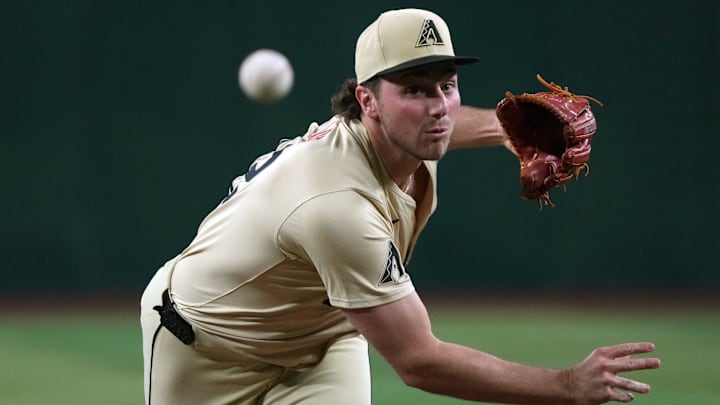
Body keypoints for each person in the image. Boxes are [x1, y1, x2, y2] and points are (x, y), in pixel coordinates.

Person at [140, 8, 660, 405]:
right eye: (414, 88)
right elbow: (419, 362)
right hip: (207, 347)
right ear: (368, 101)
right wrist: (566, 385)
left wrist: (507, 133)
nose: (437, 106)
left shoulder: (409, 136)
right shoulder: (337, 204)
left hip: (323, 342)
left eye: (447, 85)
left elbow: (450, 125)